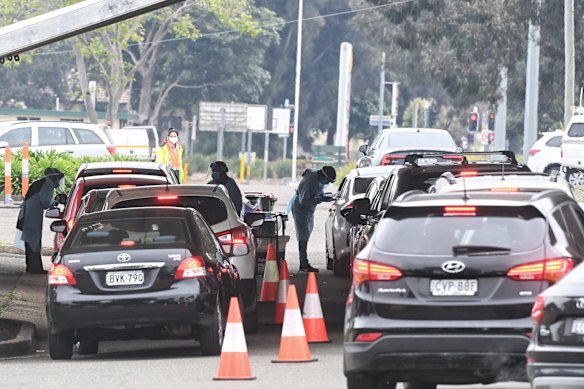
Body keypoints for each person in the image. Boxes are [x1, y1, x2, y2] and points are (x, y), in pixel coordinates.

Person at [16, 168, 65, 274]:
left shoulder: (40, 182)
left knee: (30, 242)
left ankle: (31, 266)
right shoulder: (47, 184)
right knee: (34, 242)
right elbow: (45, 202)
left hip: (28, 214)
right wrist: (55, 203)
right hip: (32, 216)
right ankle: (34, 268)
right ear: (54, 177)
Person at [291, 165, 336, 273]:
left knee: (306, 234)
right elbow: (304, 201)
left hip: (308, 210)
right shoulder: (310, 181)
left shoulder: (318, 179)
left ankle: (304, 262)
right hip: (300, 208)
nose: (327, 183)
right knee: (303, 236)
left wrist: (325, 197)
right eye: (328, 181)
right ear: (323, 176)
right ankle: (303, 264)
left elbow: (318, 192)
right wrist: (320, 199)